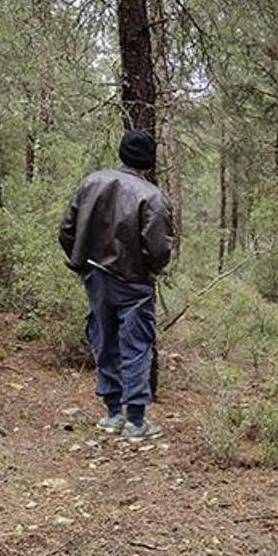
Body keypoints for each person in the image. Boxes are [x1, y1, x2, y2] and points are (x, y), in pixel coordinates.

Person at [59, 129, 176, 440]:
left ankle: (113, 415)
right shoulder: (153, 197)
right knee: (136, 346)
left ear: (122, 153)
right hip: (133, 281)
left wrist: (84, 264)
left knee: (104, 340)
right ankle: (136, 421)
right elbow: (160, 250)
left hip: (95, 277)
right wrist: (148, 270)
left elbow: (67, 231)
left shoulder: (91, 183)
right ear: (148, 161)